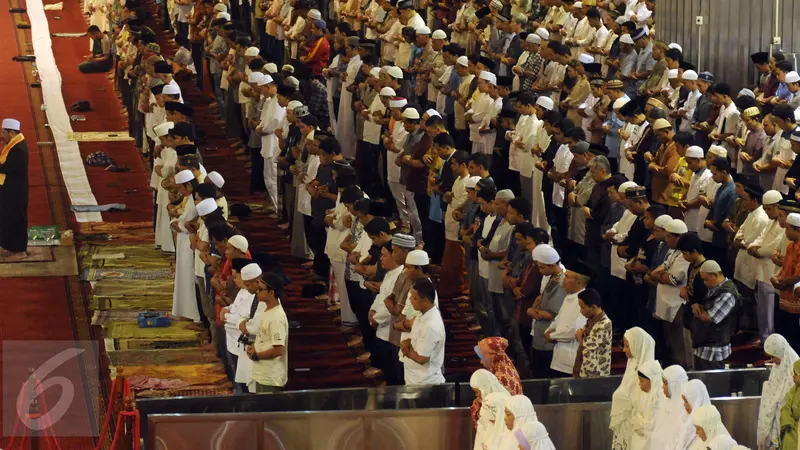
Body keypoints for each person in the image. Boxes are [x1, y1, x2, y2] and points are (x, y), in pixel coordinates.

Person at [610, 327, 656, 450]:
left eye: (627, 346)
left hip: (638, 433)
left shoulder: (649, 375)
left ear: (638, 346)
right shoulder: (632, 366)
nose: (624, 350)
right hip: (627, 430)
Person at [690, 260, 740, 370]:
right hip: (704, 346)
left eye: (706, 279)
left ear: (715, 275)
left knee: (712, 384)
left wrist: (697, 311)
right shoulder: (715, 289)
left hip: (713, 350)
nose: (704, 282)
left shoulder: (728, 294)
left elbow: (708, 317)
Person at [246, 270, 289, 393]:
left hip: (271, 376)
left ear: (271, 292)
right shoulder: (267, 309)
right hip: (262, 373)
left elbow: (278, 350)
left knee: (269, 411)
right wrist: (252, 345)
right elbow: (261, 334)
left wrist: (257, 355)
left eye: (261, 289)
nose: (257, 292)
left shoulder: (276, 317)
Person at [545, 265, 590, 376]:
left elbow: (574, 331)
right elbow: (558, 319)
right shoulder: (568, 297)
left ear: (578, 282)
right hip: (558, 355)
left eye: (567, 277)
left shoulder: (584, 300)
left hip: (570, 359)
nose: (563, 280)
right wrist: (548, 330)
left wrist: (552, 336)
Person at [758, 334, 800, 450]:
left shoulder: (794, 368)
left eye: (773, 357)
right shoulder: (780, 364)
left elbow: (788, 398)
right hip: (776, 422)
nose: (773, 361)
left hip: (788, 424)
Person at [401, 278, 446, 385]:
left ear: (425, 300)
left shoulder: (431, 325)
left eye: (414, 298)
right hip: (416, 379)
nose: (410, 300)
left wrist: (405, 348)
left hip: (424, 384)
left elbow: (422, 358)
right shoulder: (423, 313)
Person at [0, 119, 29, 259]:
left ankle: (19, 250)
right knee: (9, 218)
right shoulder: (14, 144)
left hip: (15, 192)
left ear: (11, 133)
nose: (1, 135)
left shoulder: (18, 149)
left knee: (16, 219)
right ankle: (10, 247)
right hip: (11, 189)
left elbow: (5, 167)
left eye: (3, 132)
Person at [574, 287, 613, 378]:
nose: (581, 311)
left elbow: (589, 347)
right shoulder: (591, 320)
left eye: (583, 307)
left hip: (595, 374)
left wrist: (580, 337)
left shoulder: (604, 324)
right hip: (585, 370)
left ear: (593, 307)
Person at [649, 364, 689, 450]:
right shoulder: (664, 404)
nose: (662, 387)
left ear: (675, 385)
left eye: (665, 383)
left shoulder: (684, 411)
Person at [630, 359, 665, 450]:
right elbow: (635, 417)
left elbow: (653, 427)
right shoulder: (644, 396)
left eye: (642, 381)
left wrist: (639, 423)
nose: (639, 385)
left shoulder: (661, 397)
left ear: (652, 380)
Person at [679, 379, 712, 450]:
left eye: (686, 401)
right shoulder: (685, 419)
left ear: (696, 401)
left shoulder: (707, 428)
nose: (684, 405)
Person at [779, 360, 800, 450]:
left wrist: (792, 409)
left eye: (795, 374)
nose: (793, 377)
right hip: (790, 427)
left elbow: (796, 412)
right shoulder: (794, 389)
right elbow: (786, 408)